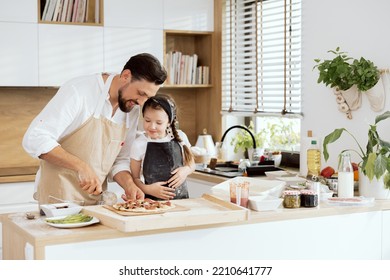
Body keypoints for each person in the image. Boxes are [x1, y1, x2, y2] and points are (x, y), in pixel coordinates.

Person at [22, 53, 167, 206]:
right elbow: (35, 138)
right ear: (126, 76)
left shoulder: (132, 108)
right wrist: (81, 166)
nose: (142, 102)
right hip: (58, 200)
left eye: (148, 97)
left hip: (95, 202)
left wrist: (129, 185)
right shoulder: (79, 91)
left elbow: (120, 160)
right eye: (141, 93)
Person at [130, 94, 195, 200]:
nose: (152, 126)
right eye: (147, 121)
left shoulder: (181, 136)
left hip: (182, 202)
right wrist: (148, 189)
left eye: (159, 122)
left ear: (169, 122)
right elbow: (134, 178)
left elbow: (191, 164)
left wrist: (185, 171)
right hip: (151, 203)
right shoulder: (139, 144)